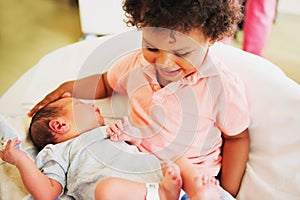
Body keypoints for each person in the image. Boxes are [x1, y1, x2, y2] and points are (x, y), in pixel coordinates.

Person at [28, 0, 250, 198]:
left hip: (194, 180)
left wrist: (229, 191)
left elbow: (237, 138)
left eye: (182, 53)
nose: (164, 62)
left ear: (212, 38)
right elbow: (106, 83)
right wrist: (71, 87)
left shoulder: (220, 85)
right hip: (141, 176)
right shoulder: (136, 66)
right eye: (152, 47)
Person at [0, 97, 181, 199]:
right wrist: (21, 159)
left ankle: (197, 192)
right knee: (109, 189)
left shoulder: (111, 130)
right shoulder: (60, 151)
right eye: (80, 105)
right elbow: (47, 193)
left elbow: (141, 147)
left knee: (181, 160)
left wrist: (131, 136)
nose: (92, 104)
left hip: (163, 182)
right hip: (122, 195)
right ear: (60, 125)